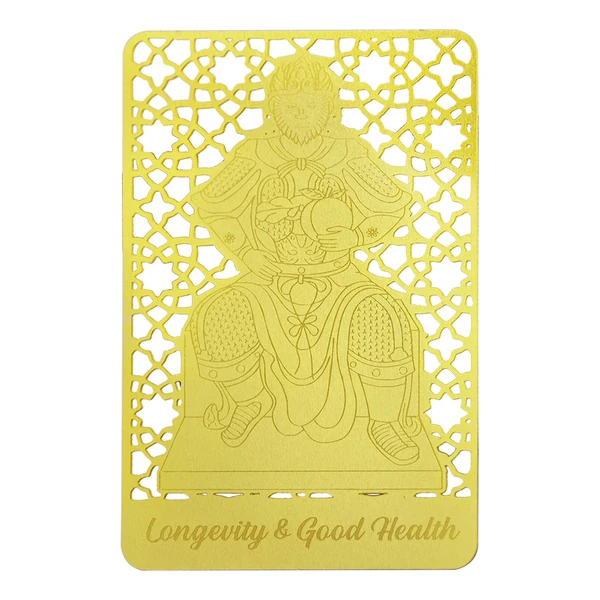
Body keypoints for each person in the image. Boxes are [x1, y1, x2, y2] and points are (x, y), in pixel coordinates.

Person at [188, 55, 423, 465]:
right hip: (268, 278)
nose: (300, 113)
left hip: (338, 278)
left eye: (310, 104)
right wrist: (246, 253)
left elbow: (392, 205)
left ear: (328, 108)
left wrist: (356, 237)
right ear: (273, 107)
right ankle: (248, 401)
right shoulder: (255, 153)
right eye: (291, 105)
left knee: (380, 316)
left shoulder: (347, 153)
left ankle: (385, 422)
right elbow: (213, 206)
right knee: (220, 312)